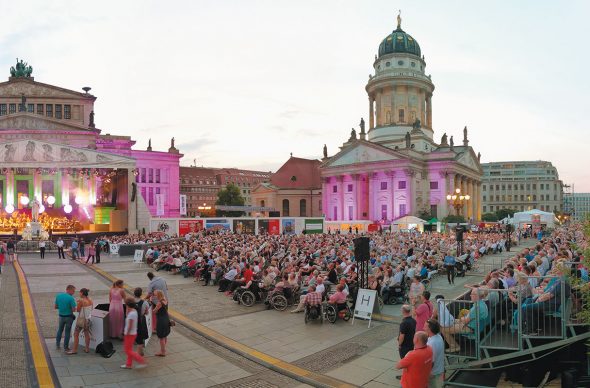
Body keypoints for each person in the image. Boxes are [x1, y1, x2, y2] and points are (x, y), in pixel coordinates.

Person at [440, 287, 488, 353]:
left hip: (470, 327)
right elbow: (471, 316)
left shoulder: (477, 307)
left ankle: (455, 347)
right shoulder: (482, 303)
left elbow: (465, 320)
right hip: (474, 325)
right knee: (453, 321)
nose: (470, 295)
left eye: (472, 294)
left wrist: (462, 318)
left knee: (443, 329)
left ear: (477, 296)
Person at [120, 298, 147, 369]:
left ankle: (141, 361)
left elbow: (130, 325)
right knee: (129, 350)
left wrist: (126, 333)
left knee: (128, 351)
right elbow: (127, 315)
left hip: (129, 334)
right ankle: (128, 364)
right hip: (132, 333)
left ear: (127, 305)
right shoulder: (134, 310)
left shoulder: (132, 314)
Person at [66, 288, 93, 354]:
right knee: (86, 334)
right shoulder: (90, 300)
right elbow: (91, 309)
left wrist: (78, 303)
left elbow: (78, 310)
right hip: (88, 319)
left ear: (82, 293)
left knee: (76, 334)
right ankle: (87, 349)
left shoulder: (81, 301)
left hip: (81, 320)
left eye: (80, 293)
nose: (79, 294)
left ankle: (74, 350)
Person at [55, 285, 77, 351]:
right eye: (73, 291)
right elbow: (74, 310)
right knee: (67, 332)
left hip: (61, 316)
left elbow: (56, 307)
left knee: (60, 330)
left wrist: (62, 308)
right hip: (69, 317)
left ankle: (57, 344)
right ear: (68, 290)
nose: (73, 292)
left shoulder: (58, 296)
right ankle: (66, 347)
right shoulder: (71, 298)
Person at [425, 319, 445, 388]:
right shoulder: (438, 336)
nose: (423, 327)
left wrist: (427, 373)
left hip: (433, 373)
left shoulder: (432, 343)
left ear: (429, 329)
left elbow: (431, 362)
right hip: (438, 370)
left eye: (425, 326)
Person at [153, 290, 170, 356]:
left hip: (161, 320)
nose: (154, 296)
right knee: (165, 335)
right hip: (166, 318)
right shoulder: (165, 300)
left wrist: (153, 306)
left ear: (158, 295)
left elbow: (154, 311)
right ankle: (163, 349)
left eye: (155, 295)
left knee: (161, 337)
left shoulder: (159, 303)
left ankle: (162, 352)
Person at [133, 287, 149, 356]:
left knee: (134, 331)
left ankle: (135, 341)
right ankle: (140, 347)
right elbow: (147, 312)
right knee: (141, 332)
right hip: (141, 320)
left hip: (133, 319)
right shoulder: (144, 302)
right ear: (141, 294)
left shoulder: (131, 301)